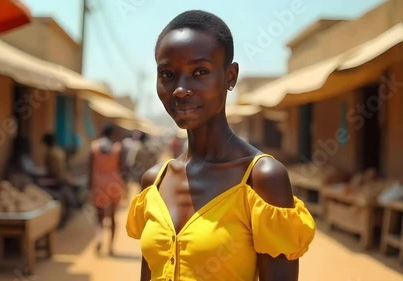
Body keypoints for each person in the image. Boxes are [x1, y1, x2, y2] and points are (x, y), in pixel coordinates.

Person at [125, 10, 316, 281]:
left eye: (200, 71)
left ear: (230, 76)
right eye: (167, 74)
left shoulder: (261, 180)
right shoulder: (154, 182)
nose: (180, 89)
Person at [88, 124, 127, 256]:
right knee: (112, 216)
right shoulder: (117, 148)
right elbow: (122, 169)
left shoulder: (94, 147)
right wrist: (125, 187)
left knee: (99, 217)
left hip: (99, 184)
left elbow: (90, 169)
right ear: (112, 134)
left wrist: (89, 187)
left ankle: (99, 238)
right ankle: (111, 247)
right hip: (114, 185)